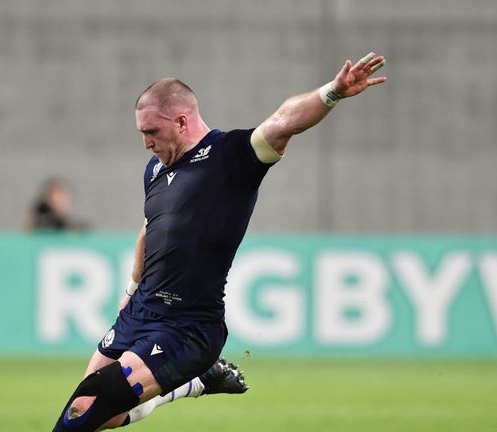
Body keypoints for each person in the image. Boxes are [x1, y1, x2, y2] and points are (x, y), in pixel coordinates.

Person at [51, 52, 387, 431]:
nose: (145, 143)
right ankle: (197, 383)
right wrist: (131, 289)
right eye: (141, 133)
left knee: (81, 410)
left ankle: (195, 373)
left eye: (151, 132)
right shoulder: (155, 170)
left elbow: (282, 123)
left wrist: (334, 91)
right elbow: (150, 229)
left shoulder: (230, 156)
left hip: (187, 325)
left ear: (181, 121)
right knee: (103, 416)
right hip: (140, 310)